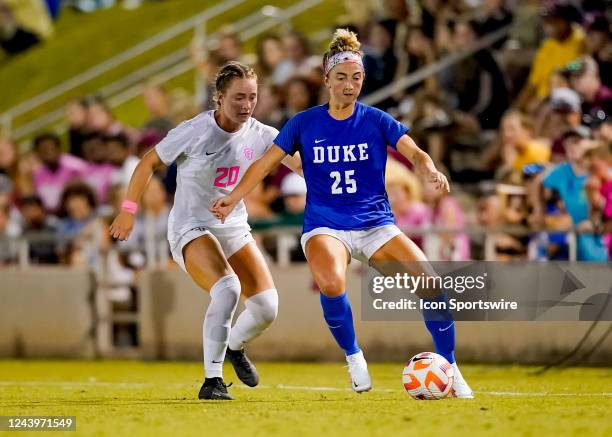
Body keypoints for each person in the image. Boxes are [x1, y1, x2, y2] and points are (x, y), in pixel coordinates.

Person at [211, 29, 473, 398]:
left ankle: (450, 368)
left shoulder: (376, 119)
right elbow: (264, 165)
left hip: (376, 224)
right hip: (325, 224)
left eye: (357, 78)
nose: (350, 85)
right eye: (342, 78)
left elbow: (415, 152)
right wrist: (233, 196)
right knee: (333, 282)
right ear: (326, 79)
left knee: (431, 285)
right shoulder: (304, 123)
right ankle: (354, 358)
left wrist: (429, 169)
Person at [109, 61, 302, 401]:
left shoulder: (263, 135)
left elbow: (302, 164)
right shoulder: (196, 130)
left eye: (252, 97)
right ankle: (212, 380)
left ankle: (233, 346)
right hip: (190, 226)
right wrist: (128, 211)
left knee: (267, 307)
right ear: (219, 98)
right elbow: (147, 163)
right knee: (227, 288)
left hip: (233, 226)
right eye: (238, 97)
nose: (246, 105)